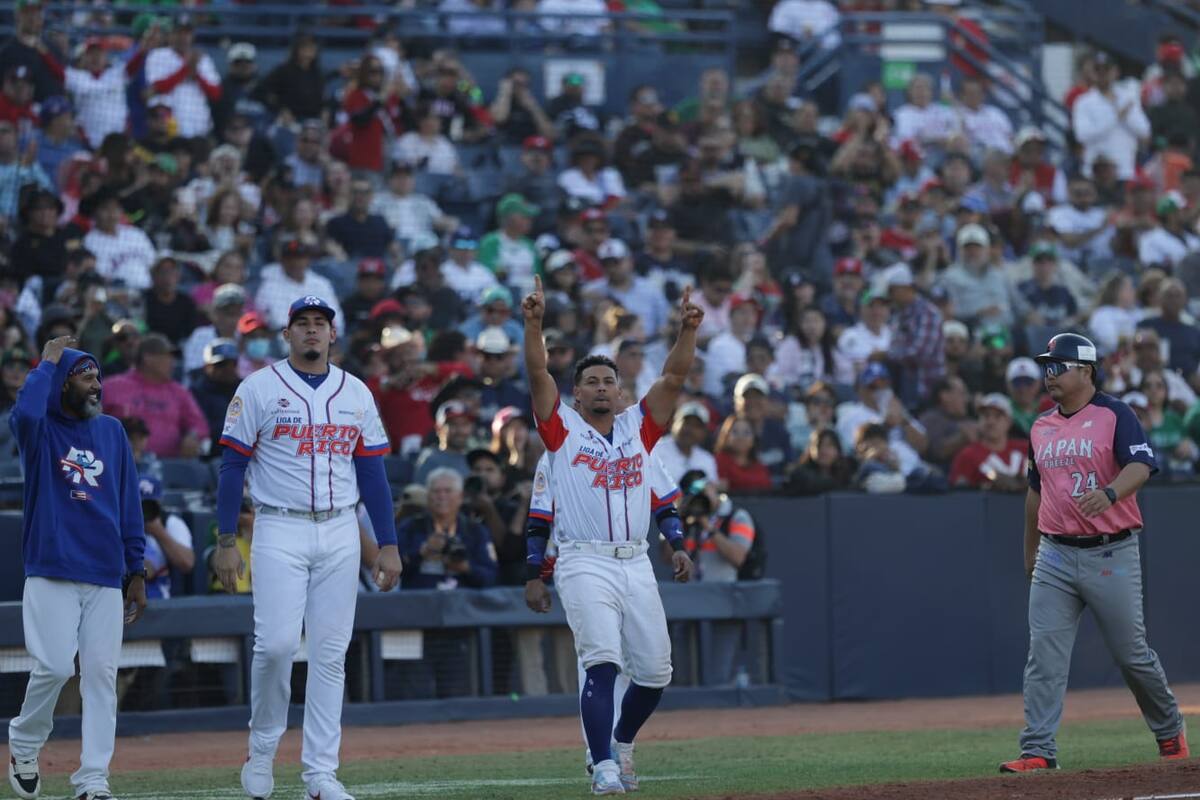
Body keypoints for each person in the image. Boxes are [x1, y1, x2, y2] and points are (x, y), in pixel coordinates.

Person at [212, 296, 402, 800]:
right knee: (274, 645)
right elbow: (231, 468)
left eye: (321, 324)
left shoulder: (355, 391)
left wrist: (388, 543)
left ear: (333, 335)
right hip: (279, 527)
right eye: (303, 324)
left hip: (340, 528)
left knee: (330, 654)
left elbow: (373, 471)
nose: (312, 331)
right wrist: (226, 539)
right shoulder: (258, 387)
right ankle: (262, 748)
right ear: (288, 335)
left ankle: (320, 773)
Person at [521, 274, 697, 795]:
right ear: (576, 394)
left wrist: (686, 330)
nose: (601, 387)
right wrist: (534, 325)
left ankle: (621, 742)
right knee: (601, 663)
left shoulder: (638, 430)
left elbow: (673, 379)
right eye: (591, 382)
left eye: (608, 381)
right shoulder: (560, 431)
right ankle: (602, 767)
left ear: (620, 391)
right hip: (583, 560)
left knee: (656, 674)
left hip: (636, 561)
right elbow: (536, 371)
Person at [1002, 332, 1188, 773]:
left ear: (1086, 370)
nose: (1049, 375)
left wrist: (1109, 493)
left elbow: (1141, 464)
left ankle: (1169, 729)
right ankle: (1038, 750)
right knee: (1043, 655)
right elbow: (1035, 493)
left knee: (1131, 655)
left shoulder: (1115, 413)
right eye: (1047, 367)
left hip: (1111, 552)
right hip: (1055, 554)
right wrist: (1031, 553)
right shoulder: (1041, 425)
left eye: (1057, 366)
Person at [7, 336, 147, 800]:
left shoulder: (111, 431)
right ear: (62, 382)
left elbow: (129, 502)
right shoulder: (41, 429)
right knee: (51, 666)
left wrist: (137, 569)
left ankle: (92, 779)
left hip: (105, 571)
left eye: (98, 377)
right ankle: (24, 742)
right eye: (86, 375)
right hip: (52, 566)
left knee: (102, 674)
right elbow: (22, 414)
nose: (96, 385)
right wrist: (45, 363)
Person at [102, 333, 208, 459]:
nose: (173, 362)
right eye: (168, 356)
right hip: (121, 462)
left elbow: (200, 425)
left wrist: (193, 436)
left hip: (168, 468)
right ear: (148, 358)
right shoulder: (112, 387)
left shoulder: (179, 392)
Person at [948, 393, 1028, 491]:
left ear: (1009, 422)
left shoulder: (1026, 449)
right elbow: (958, 491)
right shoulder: (967, 455)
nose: (990, 421)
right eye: (986, 416)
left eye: (997, 416)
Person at [652, 401, 718, 484]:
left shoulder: (707, 459)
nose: (690, 430)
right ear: (673, 423)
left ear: (704, 432)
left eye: (697, 426)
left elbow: (712, 489)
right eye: (686, 423)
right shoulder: (655, 450)